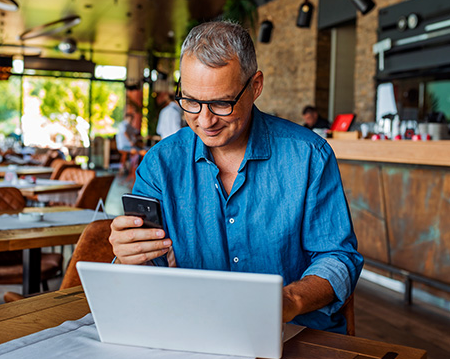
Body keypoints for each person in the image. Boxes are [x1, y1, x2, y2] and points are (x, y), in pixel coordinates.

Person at [109, 21, 363, 334]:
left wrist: (290, 300)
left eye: (221, 103)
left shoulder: (309, 155)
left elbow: (337, 256)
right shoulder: (160, 164)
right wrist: (127, 258)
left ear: (255, 86)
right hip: (195, 331)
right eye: (190, 101)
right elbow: (150, 272)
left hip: (296, 336)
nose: (204, 120)